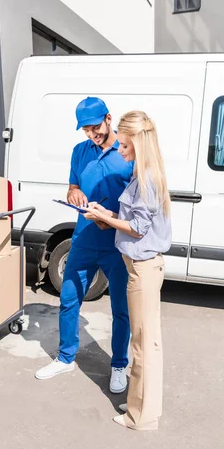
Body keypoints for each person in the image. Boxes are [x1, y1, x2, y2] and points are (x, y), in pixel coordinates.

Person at [35, 97, 134, 393]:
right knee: (68, 299)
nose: (93, 134)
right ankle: (65, 358)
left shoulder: (128, 154)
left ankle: (118, 366)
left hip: (117, 244)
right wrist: (73, 194)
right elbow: (73, 186)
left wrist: (112, 217)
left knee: (121, 309)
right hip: (83, 240)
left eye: (96, 127)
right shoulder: (80, 152)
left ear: (108, 118)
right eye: (87, 130)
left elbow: (139, 204)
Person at [83, 111, 172, 430]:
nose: (119, 150)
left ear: (137, 142)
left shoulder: (146, 177)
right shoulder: (146, 173)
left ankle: (140, 417)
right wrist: (106, 212)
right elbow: (135, 220)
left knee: (142, 343)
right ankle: (142, 404)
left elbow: (136, 228)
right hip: (144, 267)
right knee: (148, 341)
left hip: (143, 269)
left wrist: (105, 220)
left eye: (123, 145)